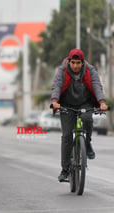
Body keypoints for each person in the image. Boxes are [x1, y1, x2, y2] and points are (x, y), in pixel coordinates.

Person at [51, 48, 108, 182]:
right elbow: (57, 85)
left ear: (83, 62)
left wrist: (102, 102)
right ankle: (65, 169)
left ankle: (87, 144)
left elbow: (96, 85)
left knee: (87, 119)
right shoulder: (62, 70)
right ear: (69, 61)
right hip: (66, 104)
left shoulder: (90, 70)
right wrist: (54, 101)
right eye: (73, 62)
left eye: (78, 63)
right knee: (66, 136)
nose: (75, 66)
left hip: (84, 103)